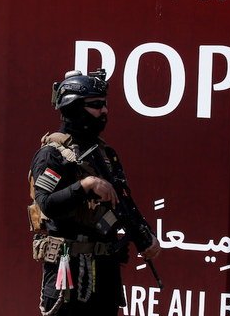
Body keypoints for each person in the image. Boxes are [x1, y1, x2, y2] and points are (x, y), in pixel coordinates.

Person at [30, 69, 160, 316]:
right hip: (68, 276)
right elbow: (47, 203)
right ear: (73, 106)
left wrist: (144, 236)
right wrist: (86, 185)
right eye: (96, 105)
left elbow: (124, 201)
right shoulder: (53, 154)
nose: (104, 111)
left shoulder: (104, 153)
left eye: (105, 104)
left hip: (105, 274)